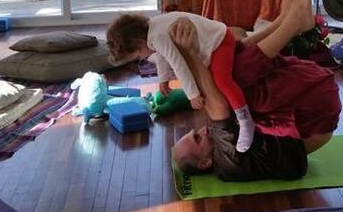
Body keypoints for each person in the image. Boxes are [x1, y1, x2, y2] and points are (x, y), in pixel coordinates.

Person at [170, 0, 342, 182]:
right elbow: (216, 103)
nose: (202, 130)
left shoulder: (222, 150)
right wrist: (189, 53)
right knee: (236, 78)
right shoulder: (226, 161)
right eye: (197, 138)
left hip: (304, 108)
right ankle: (292, 24)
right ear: (205, 162)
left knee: (227, 65)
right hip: (317, 116)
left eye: (195, 132)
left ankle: (284, 20)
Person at [106, 11, 256, 152]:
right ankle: (237, 115)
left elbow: (178, 64)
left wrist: (193, 95)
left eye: (138, 57)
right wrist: (163, 79)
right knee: (212, 82)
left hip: (219, 40)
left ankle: (245, 121)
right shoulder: (152, 30)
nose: (142, 60)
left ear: (139, 42)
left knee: (223, 81)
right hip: (213, 42)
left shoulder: (157, 37)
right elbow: (161, 56)